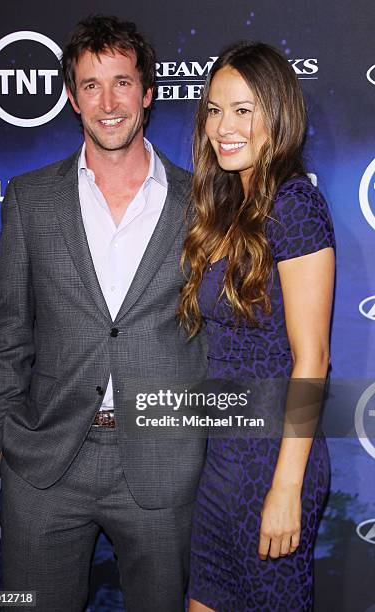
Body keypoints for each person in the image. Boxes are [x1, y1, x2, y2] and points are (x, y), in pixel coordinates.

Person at [0, 15, 207, 612]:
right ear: (72, 100)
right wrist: (4, 435)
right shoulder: (30, 198)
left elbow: (220, 336)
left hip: (162, 465)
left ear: (149, 93)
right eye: (90, 85)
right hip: (47, 464)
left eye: (122, 82)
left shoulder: (204, 201)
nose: (109, 103)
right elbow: (8, 331)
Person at [179, 41, 335, 611]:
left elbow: (313, 358)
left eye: (243, 110)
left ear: (278, 114)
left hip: (272, 460)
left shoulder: (295, 206)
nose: (225, 126)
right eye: (215, 110)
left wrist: (287, 487)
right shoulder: (227, 207)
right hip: (223, 460)